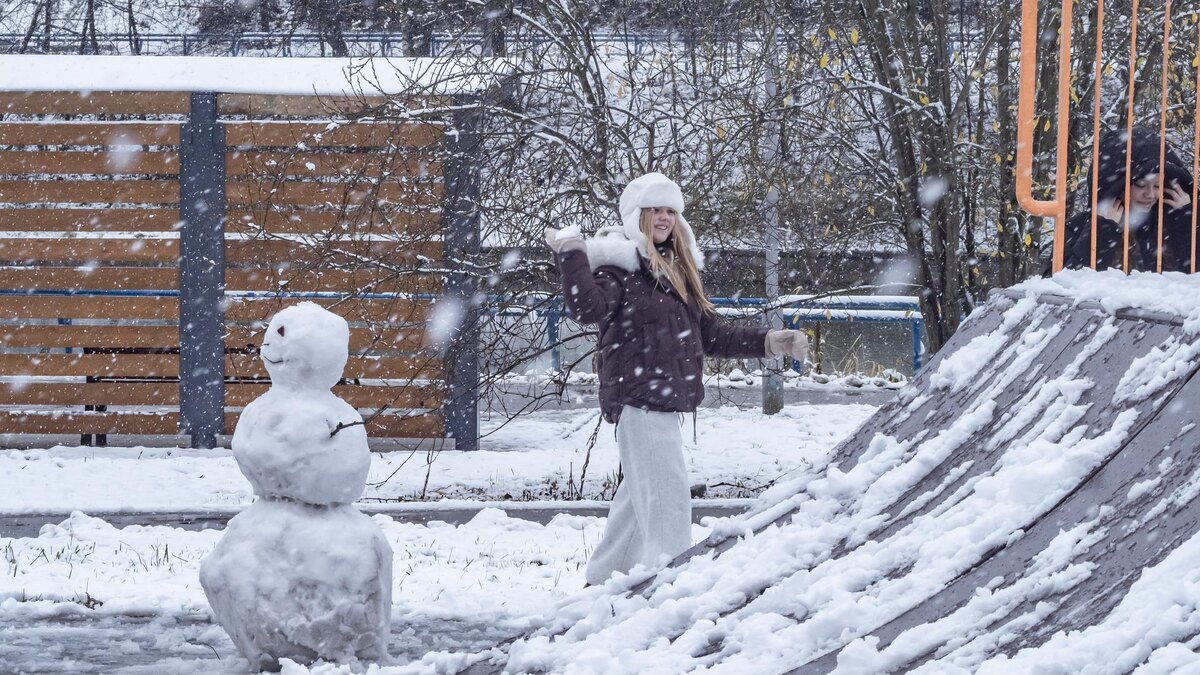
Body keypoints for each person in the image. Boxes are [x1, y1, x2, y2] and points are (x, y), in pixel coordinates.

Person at [544, 172, 809, 586]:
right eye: (656, 210)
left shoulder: (675, 275)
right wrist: (573, 253)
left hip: (661, 405)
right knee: (667, 502)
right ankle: (671, 584)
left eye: (671, 210)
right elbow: (587, 308)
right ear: (639, 216)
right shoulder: (622, 271)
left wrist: (770, 342)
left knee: (636, 505)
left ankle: (603, 581)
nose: (665, 218)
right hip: (641, 402)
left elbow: (710, 335)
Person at [1059, 126, 1195, 273]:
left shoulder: (1172, 222)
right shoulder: (1078, 227)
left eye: (1157, 185)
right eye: (1140, 185)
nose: (1150, 194)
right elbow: (1059, 287)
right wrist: (1102, 230)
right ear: (1119, 186)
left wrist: (1188, 222)